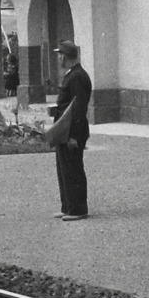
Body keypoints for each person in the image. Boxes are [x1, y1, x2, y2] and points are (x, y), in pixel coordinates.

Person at [51, 40, 92, 220]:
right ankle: (67, 206)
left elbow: (78, 108)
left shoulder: (77, 77)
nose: (58, 58)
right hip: (64, 130)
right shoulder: (72, 75)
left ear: (65, 57)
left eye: (60, 55)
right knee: (64, 169)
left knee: (73, 169)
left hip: (71, 131)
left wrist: (74, 135)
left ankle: (78, 209)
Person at [2, 33, 20, 116]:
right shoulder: (10, 66)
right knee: (8, 82)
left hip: (13, 78)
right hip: (11, 77)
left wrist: (8, 74)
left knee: (10, 82)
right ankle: (9, 93)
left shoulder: (14, 66)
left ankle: (11, 93)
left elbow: (13, 73)